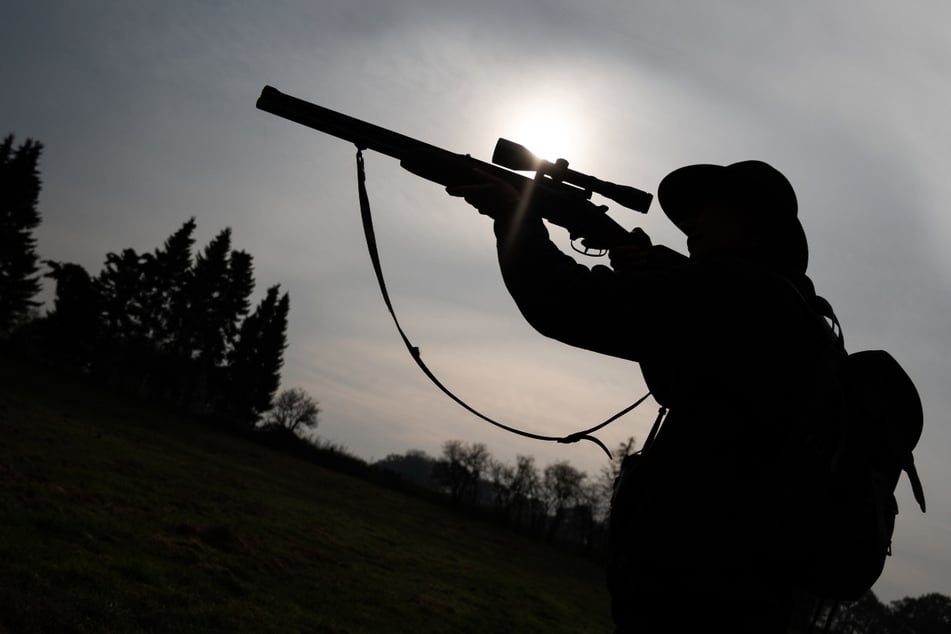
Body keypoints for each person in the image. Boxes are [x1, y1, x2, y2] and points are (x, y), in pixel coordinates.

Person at [448, 161, 837, 633]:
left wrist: (514, 215)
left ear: (747, 221)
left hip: (701, 591)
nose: (690, 223)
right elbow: (687, 384)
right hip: (747, 590)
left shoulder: (732, 291)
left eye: (706, 210)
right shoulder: (797, 314)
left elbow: (561, 300)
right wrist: (646, 269)